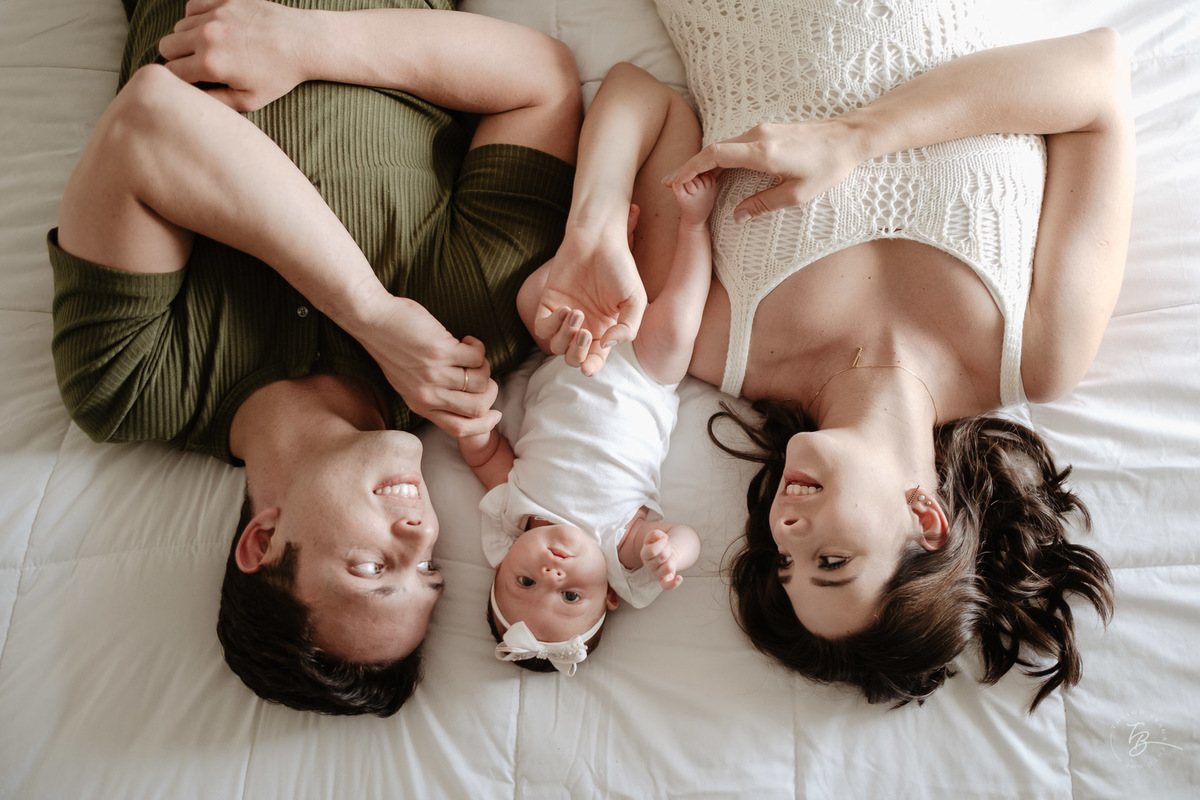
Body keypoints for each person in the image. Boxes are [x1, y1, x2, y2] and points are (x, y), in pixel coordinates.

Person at [529, 0, 1132, 711]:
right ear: (926, 519)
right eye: (832, 560)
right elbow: (1098, 79)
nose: (786, 532)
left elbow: (643, 98)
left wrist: (591, 228)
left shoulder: (718, 341)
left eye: (786, 560)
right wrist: (854, 138)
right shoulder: (1039, 352)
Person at [48, 0, 580, 714]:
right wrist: (311, 41)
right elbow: (542, 78)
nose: (422, 532)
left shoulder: (131, 386)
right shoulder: (469, 337)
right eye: (427, 570)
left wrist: (371, 311)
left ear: (264, 540)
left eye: (373, 567)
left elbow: (150, 120)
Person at [456, 171, 713, 674]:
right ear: (610, 594)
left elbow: (486, 456)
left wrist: (473, 422)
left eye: (525, 582)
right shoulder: (620, 548)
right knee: (679, 326)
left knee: (533, 299)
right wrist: (670, 553)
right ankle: (694, 226)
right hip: (645, 376)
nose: (552, 573)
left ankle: (610, 245)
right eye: (571, 595)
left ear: (502, 563)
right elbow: (687, 537)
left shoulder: (516, 511)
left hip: (571, 355)